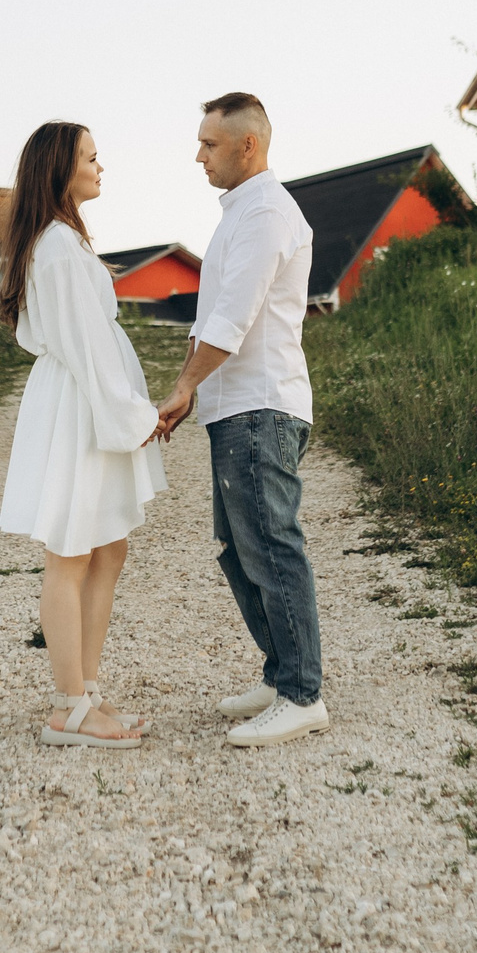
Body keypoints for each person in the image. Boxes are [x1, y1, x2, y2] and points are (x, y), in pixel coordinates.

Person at [153, 92, 328, 747]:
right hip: (236, 408)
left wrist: (183, 386)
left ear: (247, 144)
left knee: (272, 545)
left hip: (261, 404)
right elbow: (215, 314)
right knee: (239, 549)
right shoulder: (240, 213)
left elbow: (235, 316)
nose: (198, 154)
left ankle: (303, 691)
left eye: (209, 142)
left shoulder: (266, 215)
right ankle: (281, 671)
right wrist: (199, 390)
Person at [0, 121, 167, 748]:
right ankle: (69, 706)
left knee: (108, 548)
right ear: (60, 169)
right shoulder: (59, 247)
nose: (101, 167)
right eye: (92, 158)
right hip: (79, 407)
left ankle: (86, 690)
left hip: (86, 402)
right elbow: (88, 348)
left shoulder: (64, 240)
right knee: (70, 553)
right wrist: (136, 417)